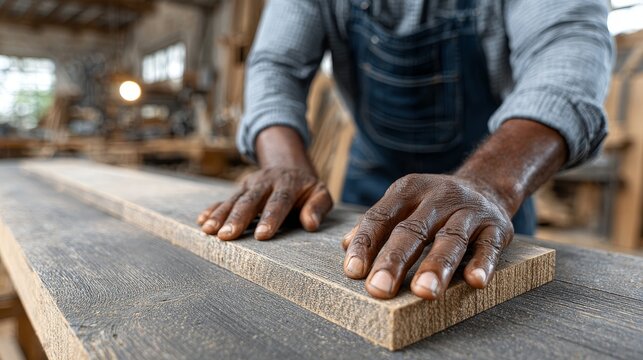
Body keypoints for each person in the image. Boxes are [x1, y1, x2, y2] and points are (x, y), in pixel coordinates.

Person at [197, 0, 613, 300]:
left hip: (490, 194)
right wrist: (285, 165)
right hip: (374, 186)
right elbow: (276, 65)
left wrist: (491, 185)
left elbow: (566, 59)